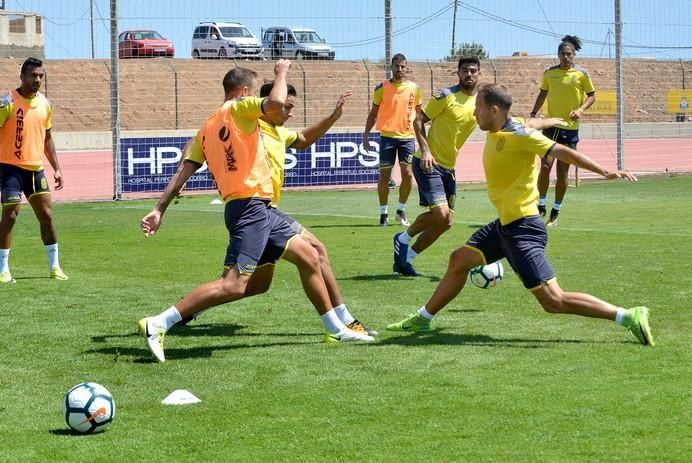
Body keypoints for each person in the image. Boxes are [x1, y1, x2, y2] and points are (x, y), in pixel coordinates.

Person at [138, 62, 373, 363]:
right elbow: (273, 102)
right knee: (234, 284)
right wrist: (281, 72)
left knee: (306, 257)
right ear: (245, 92)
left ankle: (336, 327)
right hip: (250, 208)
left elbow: (186, 168)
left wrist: (159, 209)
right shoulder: (241, 110)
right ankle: (159, 322)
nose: (287, 110)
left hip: (257, 209)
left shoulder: (208, 126)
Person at [387, 83, 654, 347]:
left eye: (478, 109)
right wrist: (547, 119)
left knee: (553, 301)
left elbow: (560, 150)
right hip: (504, 226)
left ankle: (628, 315)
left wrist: (605, 171)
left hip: (524, 228)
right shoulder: (507, 124)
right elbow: (531, 122)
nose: (474, 114)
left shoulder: (519, 135)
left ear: (493, 110)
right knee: (459, 259)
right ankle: (423, 318)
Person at [257, 80, 377, 336]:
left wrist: (333, 117)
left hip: (268, 211)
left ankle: (187, 312)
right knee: (313, 253)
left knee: (251, 285)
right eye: (286, 106)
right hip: (255, 212)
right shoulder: (249, 127)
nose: (291, 113)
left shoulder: (279, 131)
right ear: (270, 103)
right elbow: (206, 135)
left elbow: (302, 139)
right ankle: (340, 324)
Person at [391, 56, 481, 276]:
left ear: (479, 74)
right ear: (458, 73)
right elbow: (418, 121)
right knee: (440, 213)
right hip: (427, 162)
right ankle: (402, 238)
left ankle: (406, 261)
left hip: (449, 168)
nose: (469, 75)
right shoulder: (446, 96)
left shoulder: (480, 102)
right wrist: (427, 151)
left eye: (473, 71)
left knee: (447, 221)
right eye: (465, 71)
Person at [0, 57, 68, 283]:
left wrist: (56, 168)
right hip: (10, 168)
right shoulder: (7, 102)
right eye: (33, 75)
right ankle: (3, 269)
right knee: (10, 215)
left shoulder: (46, 105)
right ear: (22, 76)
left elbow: (47, 138)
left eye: (40, 75)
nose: (37, 79)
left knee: (47, 217)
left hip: (35, 170)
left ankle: (55, 267)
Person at [529, 35, 596, 227]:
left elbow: (592, 96)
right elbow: (543, 92)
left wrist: (580, 110)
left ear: (574, 55)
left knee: (563, 173)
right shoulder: (549, 73)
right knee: (544, 166)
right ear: (558, 55)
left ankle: (555, 211)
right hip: (551, 127)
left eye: (569, 54)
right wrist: (534, 113)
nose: (565, 57)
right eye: (562, 54)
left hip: (570, 129)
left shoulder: (582, 74)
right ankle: (540, 205)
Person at [363, 53, 422, 227]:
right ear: (391, 67)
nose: (399, 69)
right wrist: (365, 134)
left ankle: (400, 211)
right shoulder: (381, 88)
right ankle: (383, 214)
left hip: (407, 138)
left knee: (408, 174)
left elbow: (419, 115)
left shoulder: (415, 89)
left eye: (402, 66)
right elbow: (373, 114)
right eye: (396, 66)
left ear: (407, 67)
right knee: (384, 176)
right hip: (387, 137)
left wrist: (422, 138)